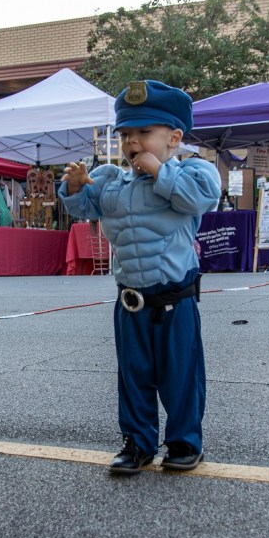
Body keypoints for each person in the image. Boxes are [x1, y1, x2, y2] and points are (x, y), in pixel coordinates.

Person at [59, 80, 221, 474]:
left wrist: (162, 172)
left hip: (175, 300)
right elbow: (86, 207)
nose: (132, 142)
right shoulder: (113, 179)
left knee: (180, 375)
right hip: (130, 300)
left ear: (175, 137)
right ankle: (138, 442)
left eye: (144, 132)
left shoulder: (193, 171)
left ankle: (184, 441)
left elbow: (202, 199)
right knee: (134, 376)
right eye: (126, 134)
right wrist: (73, 187)